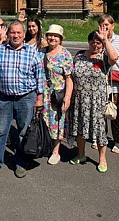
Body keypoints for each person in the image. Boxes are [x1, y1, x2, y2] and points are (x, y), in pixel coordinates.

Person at [0, 21, 44, 179]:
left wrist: (40, 98)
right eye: (13, 32)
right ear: (8, 34)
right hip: (5, 99)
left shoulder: (32, 52)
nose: (16, 35)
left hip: (26, 98)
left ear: (24, 34)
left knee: (24, 132)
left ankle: (20, 163)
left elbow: (40, 77)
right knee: (0, 132)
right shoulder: (2, 50)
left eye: (19, 33)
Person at [68, 25, 118, 173]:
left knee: (100, 130)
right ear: (88, 42)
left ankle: (102, 159)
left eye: (98, 43)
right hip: (79, 99)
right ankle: (81, 154)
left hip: (97, 101)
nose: (95, 45)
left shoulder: (103, 58)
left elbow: (114, 57)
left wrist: (105, 40)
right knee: (80, 127)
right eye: (93, 42)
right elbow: (71, 75)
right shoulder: (79, 55)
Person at [38, 24, 74, 165]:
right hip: (42, 94)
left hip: (56, 95)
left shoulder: (65, 54)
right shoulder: (41, 52)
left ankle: (55, 151)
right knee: (43, 121)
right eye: (50, 35)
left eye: (55, 36)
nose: (52, 38)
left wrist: (68, 97)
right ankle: (45, 146)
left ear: (60, 39)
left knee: (56, 122)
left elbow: (69, 78)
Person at [98, 14, 119, 154]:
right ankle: (101, 138)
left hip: (116, 83)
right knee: (101, 113)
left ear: (113, 25)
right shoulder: (97, 39)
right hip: (101, 83)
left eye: (107, 25)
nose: (104, 27)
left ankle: (118, 141)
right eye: (101, 25)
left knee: (116, 113)